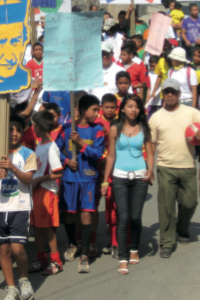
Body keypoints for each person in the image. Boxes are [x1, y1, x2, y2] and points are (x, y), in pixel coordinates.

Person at [149, 78, 200, 258]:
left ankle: (182, 227)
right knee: (166, 206)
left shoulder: (191, 112)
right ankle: (167, 242)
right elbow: (151, 145)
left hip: (187, 166)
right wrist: (150, 168)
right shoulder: (156, 117)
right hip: (165, 167)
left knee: (190, 203)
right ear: (163, 94)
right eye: (167, 91)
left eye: (173, 92)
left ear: (179, 94)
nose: (170, 95)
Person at [0, 116, 37, 300]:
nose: (14, 134)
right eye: (11, 130)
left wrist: (13, 168)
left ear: (22, 133)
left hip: (20, 207)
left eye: (18, 130)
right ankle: (11, 287)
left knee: (17, 249)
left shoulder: (28, 154)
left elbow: (29, 179)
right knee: (4, 250)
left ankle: (24, 280)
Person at [102, 94, 154, 275]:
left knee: (135, 217)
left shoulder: (144, 128)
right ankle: (123, 258)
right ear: (122, 108)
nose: (133, 109)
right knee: (123, 218)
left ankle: (134, 248)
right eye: (130, 106)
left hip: (140, 177)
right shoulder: (114, 129)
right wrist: (105, 180)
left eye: (137, 106)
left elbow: (150, 152)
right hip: (119, 177)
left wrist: (150, 170)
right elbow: (110, 156)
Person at [58, 95, 104, 272]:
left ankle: (85, 254)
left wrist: (81, 143)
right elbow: (56, 149)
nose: (97, 114)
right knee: (69, 215)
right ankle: (72, 244)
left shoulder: (97, 130)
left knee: (86, 215)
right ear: (83, 109)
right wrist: (67, 161)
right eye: (94, 110)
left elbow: (98, 153)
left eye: (98, 110)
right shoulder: (67, 128)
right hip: (70, 178)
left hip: (89, 179)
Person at [28, 111, 64, 275]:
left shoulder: (51, 147)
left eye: (34, 125)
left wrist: (39, 179)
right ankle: (41, 259)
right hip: (37, 190)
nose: (32, 128)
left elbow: (58, 172)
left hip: (47, 191)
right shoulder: (41, 144)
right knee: (37, 227)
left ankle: (56, 261)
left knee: (48, 228)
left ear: (39, 126)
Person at [95, 93, 119, 257]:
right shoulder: (97, 123)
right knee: (93, 205)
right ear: (102, 107)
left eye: (113, 107)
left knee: (113, 206)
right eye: (107, 107)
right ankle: (90, 242)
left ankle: (115, 241)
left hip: (114, 170)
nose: (110, 110)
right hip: (97, 168)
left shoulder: (120, 123)